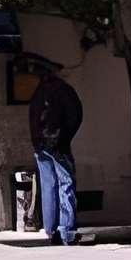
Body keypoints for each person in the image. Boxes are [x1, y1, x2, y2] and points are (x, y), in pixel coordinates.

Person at [27, 58, 84, 246]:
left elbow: (33, 119)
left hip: (41, 144)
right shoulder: (64, 91)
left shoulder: (38, 93)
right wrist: (64, 138)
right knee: (66, 184)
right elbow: (75, 115)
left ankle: (50, 230)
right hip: (58, 143)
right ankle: (67, 231)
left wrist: (38, 141)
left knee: (48, 186)